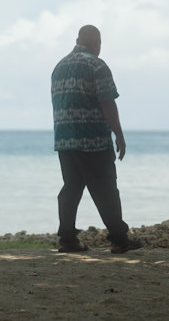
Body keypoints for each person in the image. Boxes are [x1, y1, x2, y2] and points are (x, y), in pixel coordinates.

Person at [51, 25, 143, 254]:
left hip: (65, 138)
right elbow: (107, 103)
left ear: (77, 40)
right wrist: (119, 135)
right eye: (99, 42)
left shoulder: (59, 67)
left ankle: (67, 239)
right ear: (96, 42)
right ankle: (119, 239)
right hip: (92, 138)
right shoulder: (96, 65)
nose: (100, 46)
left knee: (71, 188)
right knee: (106, 189)